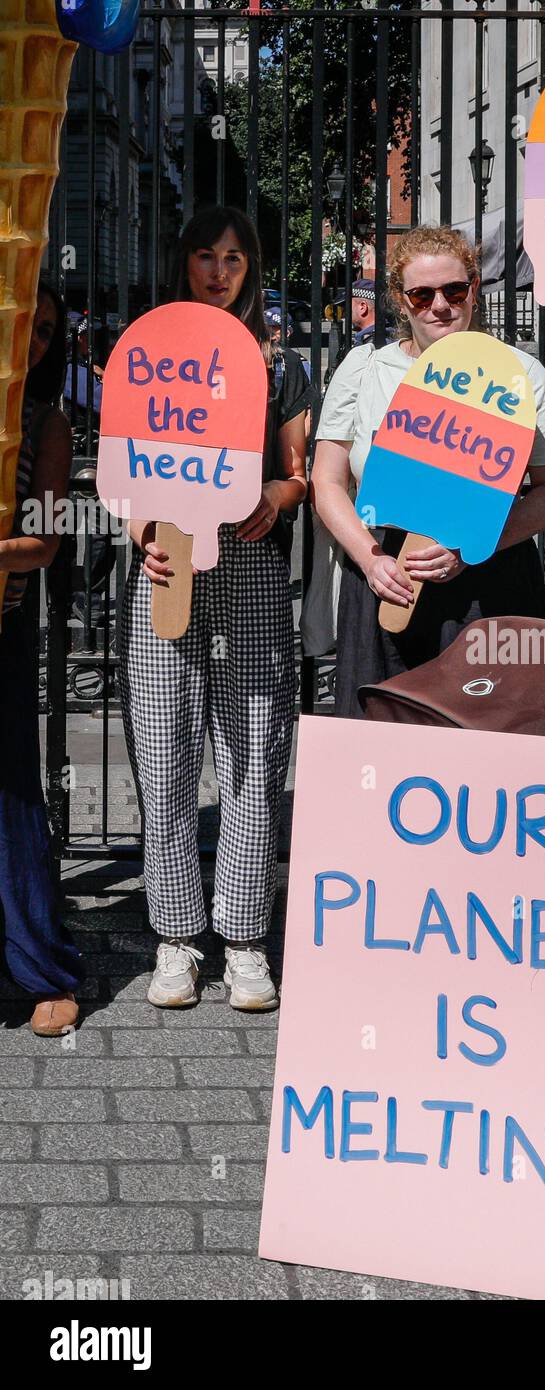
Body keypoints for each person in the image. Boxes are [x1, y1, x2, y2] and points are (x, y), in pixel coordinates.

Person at [119, 206, 311, 1012]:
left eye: (234, 258)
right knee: (163, 754)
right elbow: (123, 460)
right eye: (205, 255)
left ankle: (243, 938)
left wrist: (279, 489)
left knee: (254, 754)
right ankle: (174, 936)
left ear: (253, 268)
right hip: (169, 561)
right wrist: (136, 526)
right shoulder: (149, 347)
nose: (219, 271)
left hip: (252, 565)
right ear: (185, 262)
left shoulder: (280, 360)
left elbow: (300, 468)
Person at [311, 224, 545, 718]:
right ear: (399, 298)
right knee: (379, 736)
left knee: (484, 741)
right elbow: (326, 481)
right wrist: (370, 561)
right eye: (422, 294)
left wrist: (475, 546)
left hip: (487, 579)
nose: (440, 305)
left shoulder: (519, 373)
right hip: (383, 573)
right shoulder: (365, 368)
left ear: (474, 289)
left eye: (455, 290)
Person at [0, 282, 82, 1035]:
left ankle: (40, 967)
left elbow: (48, 541)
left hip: (5, 623)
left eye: (48, 331)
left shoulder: (46, 424)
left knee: (13, 797)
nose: (35, 340)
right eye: (27, 322)